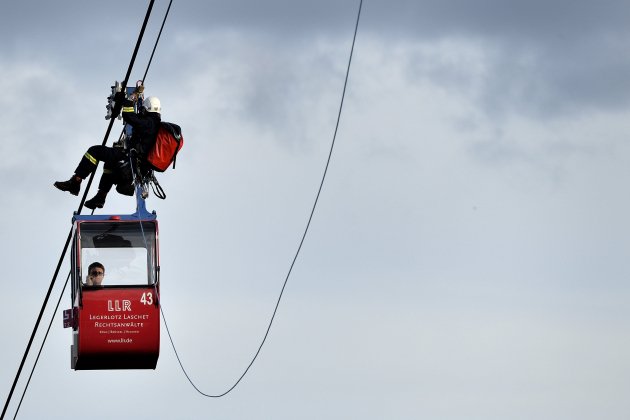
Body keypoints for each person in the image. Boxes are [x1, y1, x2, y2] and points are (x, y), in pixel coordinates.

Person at [54, 93, 162, 209]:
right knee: (110, 164)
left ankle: (75, 182)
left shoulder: (149, 122)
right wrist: (121, 100)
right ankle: (100, 198)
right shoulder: (153, 123)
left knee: (94, 151)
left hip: (132, 161)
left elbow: (128, 116)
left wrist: (130, 99)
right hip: (134, 161)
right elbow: (136, 119)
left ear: (146, 109)